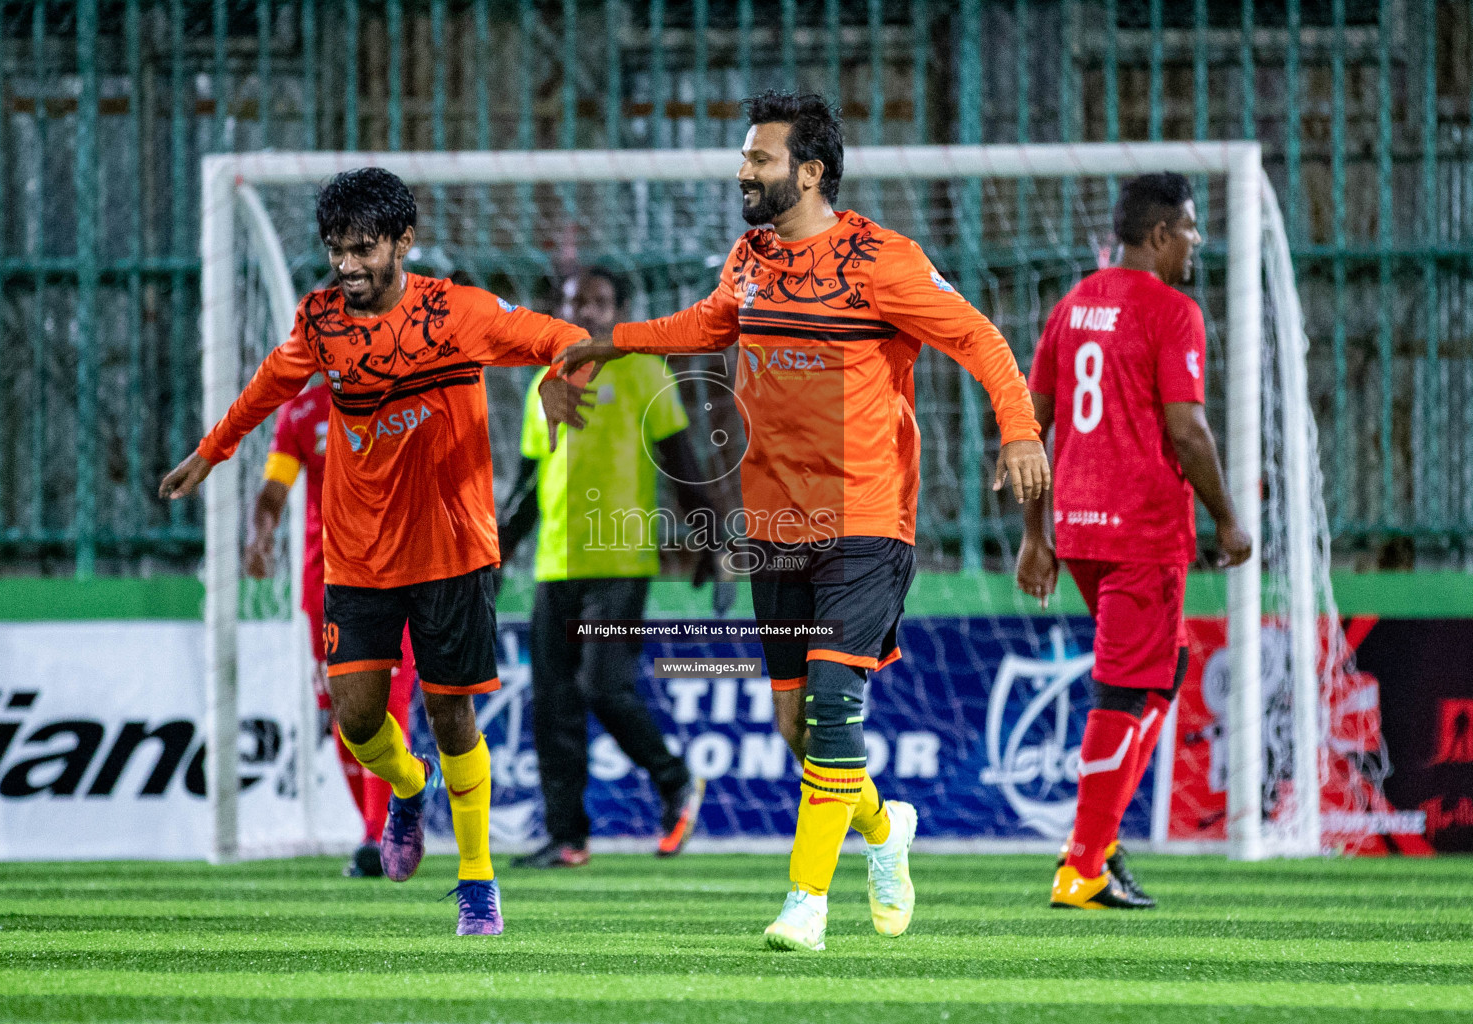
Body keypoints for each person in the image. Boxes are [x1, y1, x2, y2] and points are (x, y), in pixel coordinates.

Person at [555, 92, 1049, 952]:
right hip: (775, 525)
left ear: (809, 171)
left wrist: (1020, 429)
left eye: (759, 159)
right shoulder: (749, 259)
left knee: (829, 704)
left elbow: (980, 341)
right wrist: (610, 343)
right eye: (745, 157)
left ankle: (805, 904)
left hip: (866, 518)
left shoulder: (882, 261)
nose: (742, 171)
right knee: (796, 727)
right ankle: (884, 827)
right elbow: (705, 324)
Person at [161, 167, 590, 936]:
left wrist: (560, 376)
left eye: (363, 248)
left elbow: (564, 336)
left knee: (452, 714)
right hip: (358, 556)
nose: (348, 266)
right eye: (336, 251)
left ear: (403, 242)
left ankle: (477, 883)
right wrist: (212, 451)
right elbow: (269, 386)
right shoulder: (321, 321)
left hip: (454, 548)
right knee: (359, 722)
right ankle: (407, 784)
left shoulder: (459, 312)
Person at [1014, 172, 1252, 910]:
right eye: (1188, 228)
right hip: (1142, 531)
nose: (1195, 243)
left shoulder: (1071, 307)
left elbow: (1030, 426)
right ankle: (1083, 862)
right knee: (1124, 689)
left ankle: (1101, 841)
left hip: (1079, 532)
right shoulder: (1173, 311)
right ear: (1158, 235)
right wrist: (1227, 518)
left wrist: (1034, 535)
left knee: (1163, 668)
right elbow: (1188, 428)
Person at [498, 267, 729, 867]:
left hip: (622, 561)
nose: (588, 312)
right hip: (554, 565)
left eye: (599, 302)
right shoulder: (543, 386)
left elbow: (684, 465)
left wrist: (712, 542)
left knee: (603, 686)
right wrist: (491, 557)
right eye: (576, 301)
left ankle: (674, 779)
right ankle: (568, 837)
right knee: (552, 703)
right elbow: (527, 489)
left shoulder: (645, 371)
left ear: (620, 310)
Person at [244, 382, 416, 878]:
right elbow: (275, 487)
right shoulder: (301, 414)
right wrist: (261, 534)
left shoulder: (407, 400)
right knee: (344, 715)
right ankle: (383, 817)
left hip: (399, 575)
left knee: (388, 702)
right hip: (327, 585)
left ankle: (378, 834)